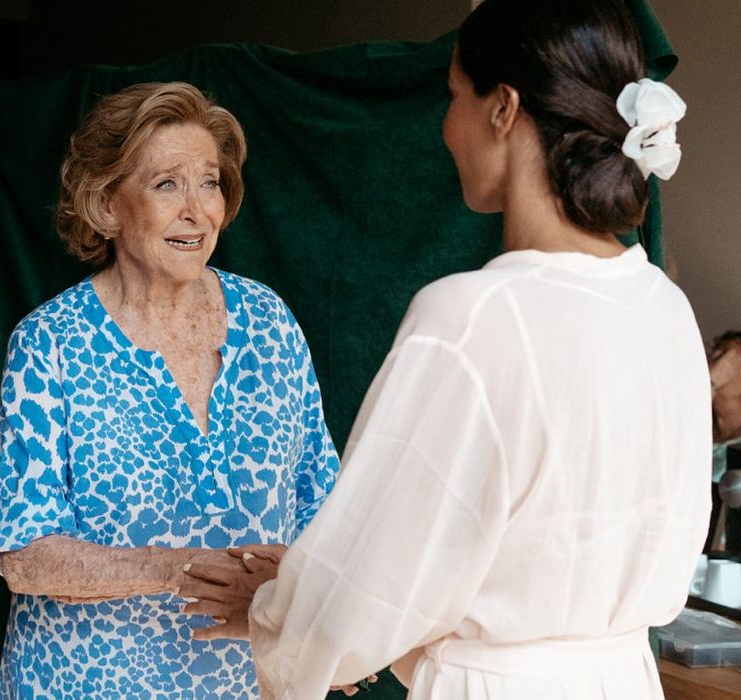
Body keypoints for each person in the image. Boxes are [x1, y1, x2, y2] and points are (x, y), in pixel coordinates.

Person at [181, 0, 712, 698]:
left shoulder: (472, 318)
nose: (447, 127)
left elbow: (359, 601)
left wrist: (280, 609)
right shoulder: (664, 308)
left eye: (455, 96)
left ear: (504, 109)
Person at [0, 81, 339, 699]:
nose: (196, 209)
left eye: (210, 182)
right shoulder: (50, 344)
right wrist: (195, 570)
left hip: (245, 687)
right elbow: (26, 553)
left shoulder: (270, 322)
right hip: (84, 684)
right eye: (166, 183)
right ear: (105, 205)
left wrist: (334, 626)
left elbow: (323, 505)